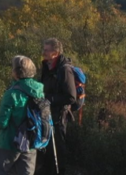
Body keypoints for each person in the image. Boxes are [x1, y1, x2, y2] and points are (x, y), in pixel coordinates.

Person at [0, 55, 44, 175]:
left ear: (16, 72)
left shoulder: (12, 94)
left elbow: (2, 122)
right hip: (31, 142)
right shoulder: (39, 91)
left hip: (9, 141)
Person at [38, 38, 77, 174]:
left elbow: (71, 97)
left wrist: (48, 99)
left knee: (58, 148)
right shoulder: (48, 67)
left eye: (46, 50)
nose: (43, 52)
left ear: (55, 53)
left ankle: (59, 171)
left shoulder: (64, 70)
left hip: (59, 115)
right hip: (47, 113)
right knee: (47, 145)